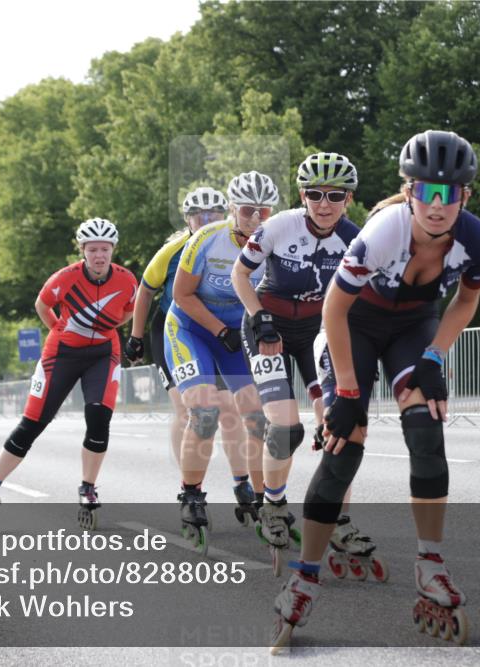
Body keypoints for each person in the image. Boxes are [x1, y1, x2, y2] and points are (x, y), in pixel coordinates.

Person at [271, 131, 480, 648]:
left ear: (465, 196)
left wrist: (436, 355)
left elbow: (465, 301)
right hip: (354, 326)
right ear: (409, 191)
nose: (436, 206)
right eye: (425, 192)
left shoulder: (479, 240)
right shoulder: (382, 231)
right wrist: (346, 393)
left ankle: (429, 563)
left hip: (413, 327)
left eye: (449, 194)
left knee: (426, 431)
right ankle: (304, 575)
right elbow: (334, 308)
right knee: (345, 447)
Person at [232, 152, 380, 574]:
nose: (324, 203)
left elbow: (366, 299)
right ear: (302, 195)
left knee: (342, 428)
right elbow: (242, 276)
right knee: (286, 427)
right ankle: (274, 506)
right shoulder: (279, 226)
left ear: (348, 199)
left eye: (335, 195)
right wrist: (260, 319)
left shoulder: (356, 238)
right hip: (270, 330)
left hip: (318, 332)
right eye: (314, 194)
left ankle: (338, 519)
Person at [0, 218, 138, 532]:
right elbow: (42, 303)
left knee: (98, 417)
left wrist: (105, 328)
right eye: (92, 249)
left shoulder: (126, 279)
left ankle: (88, 487)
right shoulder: (65, 277)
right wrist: (59, 329)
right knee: (32, 423)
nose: (99, 255)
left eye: (104, 249)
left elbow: (130, 310)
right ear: (83, 251)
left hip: (103, 355)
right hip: (61, 353)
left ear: (112, 250)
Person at [125, 187, 261, 522]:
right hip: (175, 331)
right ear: (187, 220)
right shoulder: (173, 250)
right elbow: (145, 290)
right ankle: (190, 486)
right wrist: (136, 336)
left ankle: (242, 481)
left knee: (231, 408)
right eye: (199, 216)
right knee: (192, 410)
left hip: (221, 334)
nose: (206, 221)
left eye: (213, 215)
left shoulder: (236, 243)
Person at [163, 171, 277, 551]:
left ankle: (264, 499)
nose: (256, 219)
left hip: (235, 333)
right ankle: (191, 494)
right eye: (248, 211)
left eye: (264, 210)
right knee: (206, 413)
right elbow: (181, 295)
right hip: (192, 329)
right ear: (232, 209)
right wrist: (218, 329)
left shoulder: (275, 241)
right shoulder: (207, 240)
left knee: (258, 417)